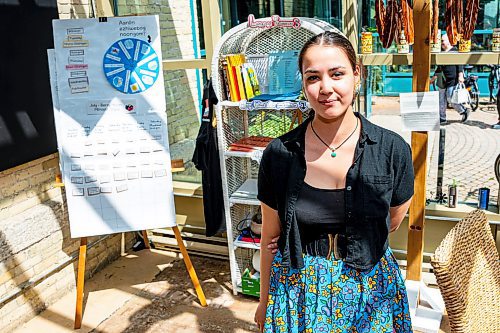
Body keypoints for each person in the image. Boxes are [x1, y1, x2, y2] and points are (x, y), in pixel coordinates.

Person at [253, 31, 414, 332]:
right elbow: (269, 239)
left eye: (337, 74)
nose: (326, 88)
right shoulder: (279, 155)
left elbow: (391, 221)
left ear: (357, 75)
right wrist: (264, 301)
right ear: (303, 84)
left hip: (372, 288)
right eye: (313, 77)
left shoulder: (392, 150)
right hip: (299, 291)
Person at [431, 33, 470, 124]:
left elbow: (460, 64)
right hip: (442, 80)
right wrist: (433, 78)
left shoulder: (454, 51)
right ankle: (442, 118)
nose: (441, 42)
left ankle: (463, 111)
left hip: (452, 80)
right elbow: (439, 67)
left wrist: (461, 75)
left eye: (443, 40)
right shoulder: (441, 52)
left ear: (449, 41)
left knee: (451, 99)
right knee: (441, 100)